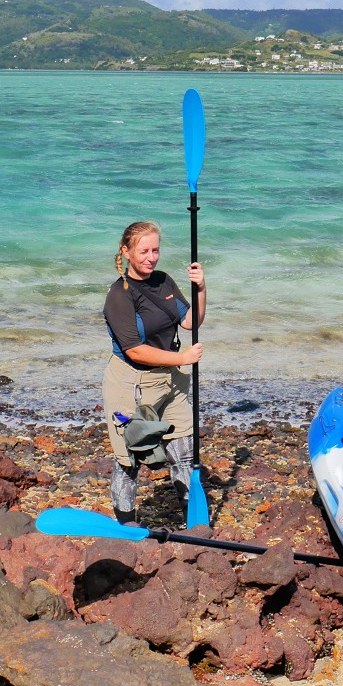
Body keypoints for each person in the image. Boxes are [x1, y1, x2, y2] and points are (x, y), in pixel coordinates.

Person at [102, 220, 206, 524]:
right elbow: (134, 349)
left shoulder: (163, 281)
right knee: (129, 459)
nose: (151, 257)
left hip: (171, 380)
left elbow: (191, 322)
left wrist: (200, 288)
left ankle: (192, 518)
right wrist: (182, 357)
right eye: (144, 251)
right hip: (131, 383)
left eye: (155, 250)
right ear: (126, 251)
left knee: (184, 450)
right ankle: (126, 522)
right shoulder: (119, 295)